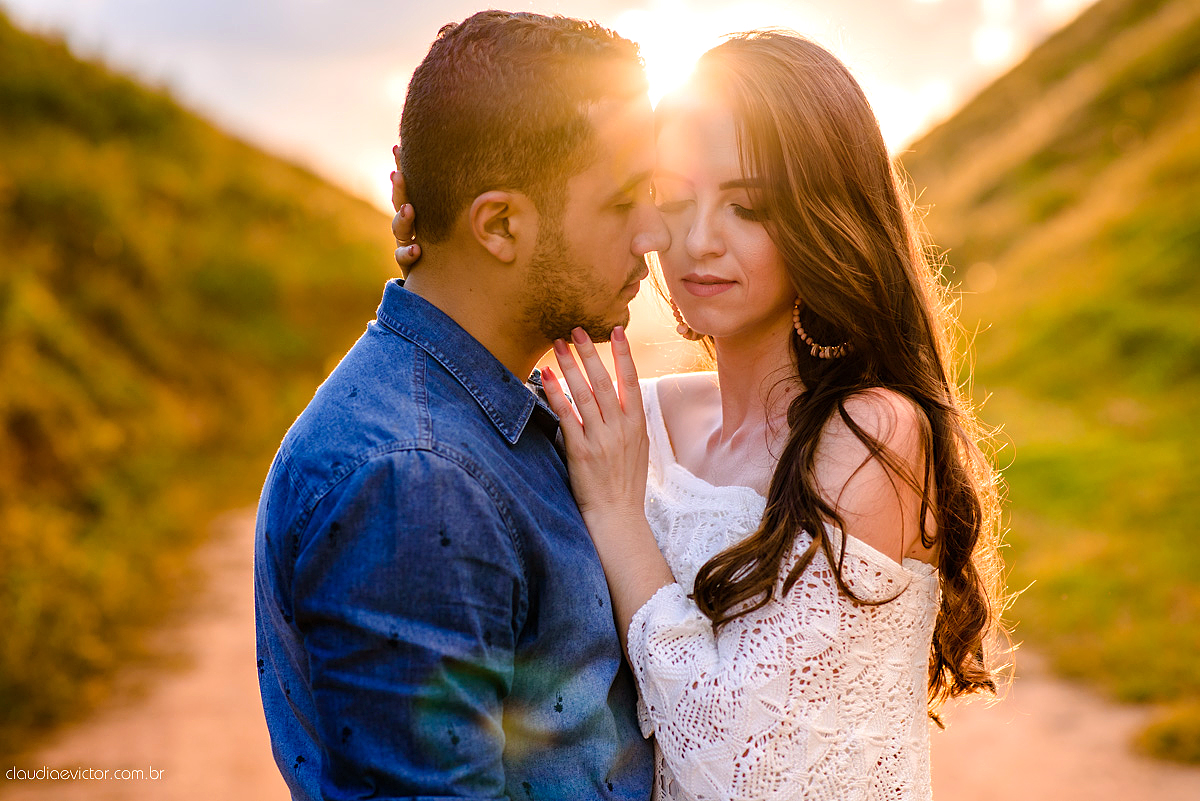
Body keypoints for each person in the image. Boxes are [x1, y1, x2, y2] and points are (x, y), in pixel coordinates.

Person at [391, 28, 1006, 801]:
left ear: (826, 217)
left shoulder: (873, 435)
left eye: (747, 206)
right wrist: (440, 228)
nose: (697, 240)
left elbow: (742, 766)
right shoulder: (641, 418)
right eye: (674, 200)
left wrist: (619, 517)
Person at [254, 11, 668, 801]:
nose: (652, 231)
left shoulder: (483, 415)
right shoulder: (415, 480)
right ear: (501, 224)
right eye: (622, 202)